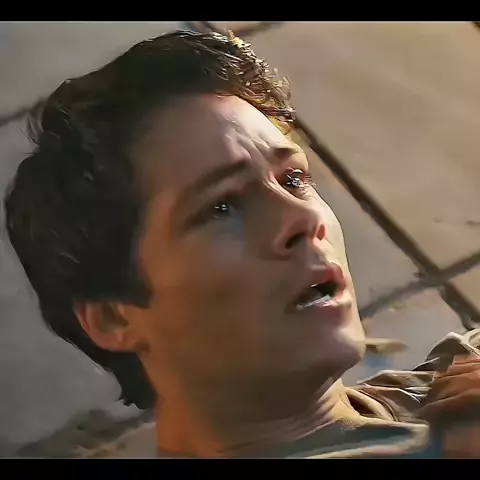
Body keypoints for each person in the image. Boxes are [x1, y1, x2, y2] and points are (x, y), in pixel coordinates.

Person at [4, 30, 480, 459]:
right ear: (115, 316)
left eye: (293, 179)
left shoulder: (445, 384)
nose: (303, 219)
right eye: (222, 206)